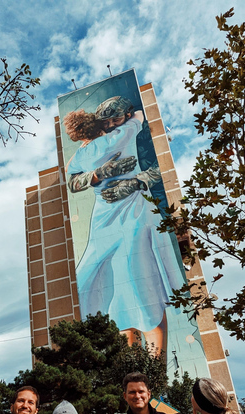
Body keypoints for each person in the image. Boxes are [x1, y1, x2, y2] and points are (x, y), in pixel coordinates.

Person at [63, 97, 184, 356]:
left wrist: (134, 181)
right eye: (104, 121)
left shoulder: (119, 135)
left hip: (134, 215)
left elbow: (160, 167)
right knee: (112, 283)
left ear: (125, 115)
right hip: (108, 220)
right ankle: (132, 365)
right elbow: (72, 181)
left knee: (139, 279)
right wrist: (98, 174)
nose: (109, 124)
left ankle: (149, 367)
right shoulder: (117, 135)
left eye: (114, 119)